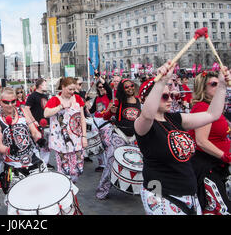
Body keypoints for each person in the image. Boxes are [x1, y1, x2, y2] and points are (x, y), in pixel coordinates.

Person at [134, 61, 230, 215]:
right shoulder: (143, 124)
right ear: (148, 98)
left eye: (172, 95)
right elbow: (147, 114)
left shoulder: (175, 118)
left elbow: (212, 114)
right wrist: (161, 82)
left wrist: (222, 86)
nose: (171, 99)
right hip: (161, 193)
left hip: (188, 194)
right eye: (165, 96)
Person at [187, 71, 231, 214]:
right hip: (206, 167)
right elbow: (201, 141)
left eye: (219, 84)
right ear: (202, 87)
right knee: (221, 210)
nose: (218, 87)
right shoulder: (202, 108)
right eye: (213, 84)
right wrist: (225, 156)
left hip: (217, 165)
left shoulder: (213, 108)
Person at [0, 87, 46, 194]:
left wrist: (39, 138)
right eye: (6, 102)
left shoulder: (22, 111)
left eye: (13, 101)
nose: (10, 105)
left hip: (32, 160)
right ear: (0, 101)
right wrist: (8, 150)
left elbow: (33, 131)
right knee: (17, 198)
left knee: (40, 194)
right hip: (13, 165)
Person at [96, 78, 141, 199]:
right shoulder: (117, 101)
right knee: (111, 163)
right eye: (126, 87)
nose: (130, 88)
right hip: (119, 135)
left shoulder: (138, 101)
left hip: (134, 137)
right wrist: (111, 111)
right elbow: (105, 117)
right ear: (122, 89)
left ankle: (136, 189)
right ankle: (102, 191)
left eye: (131, 85)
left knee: (137, 165)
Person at [44, 77, 87, 183]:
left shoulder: (77, 98)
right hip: (61, 140)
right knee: (64, 171)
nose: (72, 92)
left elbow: (82, 119)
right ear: (63, 87)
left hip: (77, 138)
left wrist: (84, 137)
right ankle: (67, 192)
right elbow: (46, 113)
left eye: (74, 89)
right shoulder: (55, 99)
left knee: (78, 169)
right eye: (70, 89)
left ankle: (72, 186)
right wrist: (59, 107)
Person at [88, 75, 113, 172]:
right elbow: (92, 110)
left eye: (103, 87)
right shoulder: (97, 98)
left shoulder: (109, 96)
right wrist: (85, 102)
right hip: (96, 123)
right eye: (100, 87)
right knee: (97, 145)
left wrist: (101, 79)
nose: (102, 88)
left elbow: (108, 87)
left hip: (106, 123)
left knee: (107, 144)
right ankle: (102, 164)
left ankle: (109, 164)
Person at [23, 78, 51, 165]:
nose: (47, 86)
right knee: (37, 145)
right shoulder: (33, 96)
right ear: (40, 85)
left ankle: (45, 163)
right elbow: (26, 109)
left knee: (46, 145)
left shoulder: (45, 96)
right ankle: (38, 163)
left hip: (46, 124)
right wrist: (33, 121)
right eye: (45, 84)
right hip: (36, 124)